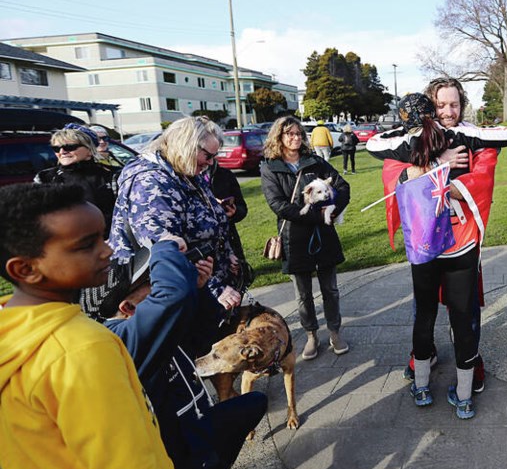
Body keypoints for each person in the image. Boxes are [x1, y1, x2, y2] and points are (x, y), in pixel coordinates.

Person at [0, 183, 175, 469]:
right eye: (86, 245)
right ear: (26, 269)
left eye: (103, 235)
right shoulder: (81, 349)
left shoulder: (11, 329)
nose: (107, 250)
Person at [85, 237, 264, 469]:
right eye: (151, 283)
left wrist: (201, 288)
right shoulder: (119, 341)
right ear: (127, 307)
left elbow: (200, 338)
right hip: (171, 452)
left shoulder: (151, 329)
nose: (158, 285)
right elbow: (173, 297)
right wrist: (162, 249)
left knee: (252, 404)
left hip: (195, 426)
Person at [368, 79, 507, 398]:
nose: (448, 112)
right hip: (425, 242)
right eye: (440, 106)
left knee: (463, 308)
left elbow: (483, 176)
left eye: (454, 105)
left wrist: (442, 186)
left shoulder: (473, 138)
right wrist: (436, 164)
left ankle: (469, 363)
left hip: (461, 238)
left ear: (462, 105)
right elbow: (394, 172)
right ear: (428, 107)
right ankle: (427, 355)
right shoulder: (409, 139)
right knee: (425, 307)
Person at [109, 116, 242, 348]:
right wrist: (215, 289)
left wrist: (226, 252)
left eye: (214, 157)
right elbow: (167, 254)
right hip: (170, 296)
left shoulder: (186, 173)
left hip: (199, 287)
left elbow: (210, 222)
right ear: (186, 144)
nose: (210, 163)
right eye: (207, 156)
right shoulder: (150, 181)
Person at [261, 116, 350, 359]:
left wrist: (332, 210)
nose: (296, 138)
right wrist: (316, 215)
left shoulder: (315, 162)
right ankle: (311, 334)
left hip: (324, 235)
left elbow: (343, 187)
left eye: (299, 133)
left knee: (330, 289)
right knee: (303, 294)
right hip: (294, 238)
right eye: (289, 134)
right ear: (279, 137)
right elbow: (278, 204)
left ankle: (334, 331)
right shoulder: (270, 167)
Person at [34, 123, 117, 232]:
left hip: (107, 241)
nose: (62, 152)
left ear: (89, 149)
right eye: (56, 148)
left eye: (70, 147)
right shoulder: (45, 178)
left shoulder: (111, 176)